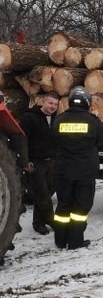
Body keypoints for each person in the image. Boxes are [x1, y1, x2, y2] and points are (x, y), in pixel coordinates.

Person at [51, 86, 103, 250]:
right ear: (87, 102)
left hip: (63, 171)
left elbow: (52, 139)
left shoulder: (59, 120)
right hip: (85, 172)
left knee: (63, 205)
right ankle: (75, 241)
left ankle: (60, 240)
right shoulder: (92, 121)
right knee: (80, 207)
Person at [19, 92, 59, 235]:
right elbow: (22, 141)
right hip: (35, 163)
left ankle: (38, 223)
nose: (53, 106)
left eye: (55, 104)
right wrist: (25, 160)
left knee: (46, 193)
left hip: (51, 161)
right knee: (42, 194)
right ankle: (51, 220)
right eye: (50, 103)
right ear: (42, 102)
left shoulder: (57, 118)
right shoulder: (29, 118)